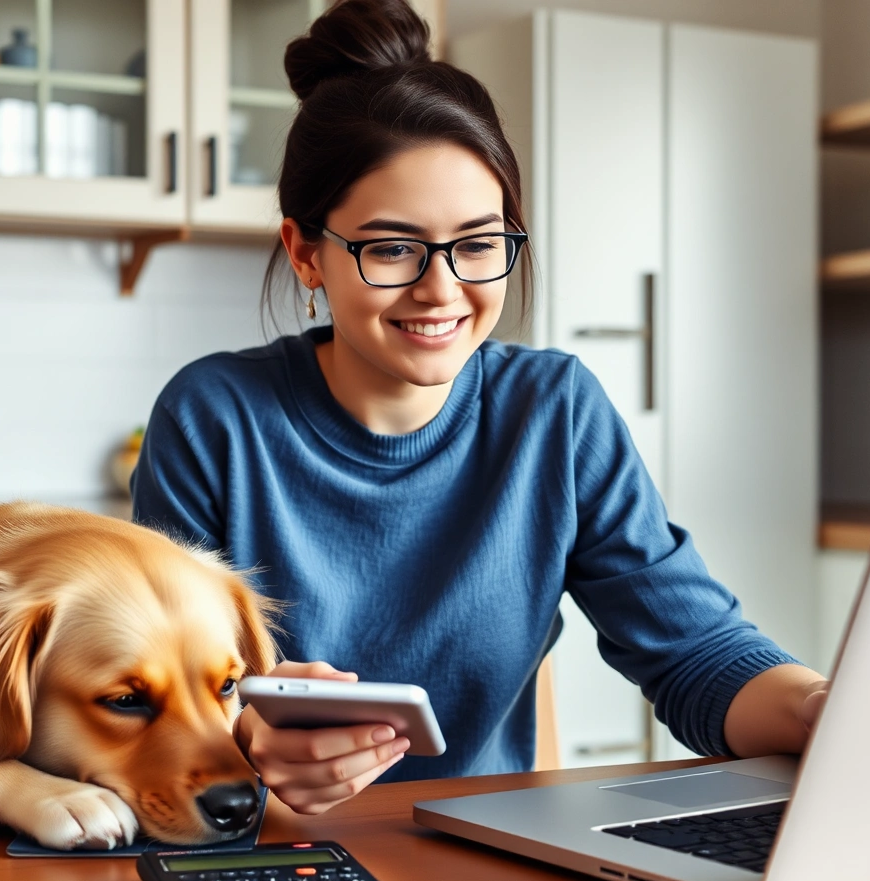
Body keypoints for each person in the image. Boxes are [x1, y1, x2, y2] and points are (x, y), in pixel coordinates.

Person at [132, 0, 827, 816]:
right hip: (264, 853)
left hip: (489, 856)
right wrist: (244, 731)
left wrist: (826, 710)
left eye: (477, 243)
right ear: (306, 252)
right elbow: (150, 702)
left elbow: (695, 654)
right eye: (391, 248)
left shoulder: (554, 411)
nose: (442, 288)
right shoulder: (214, 417)